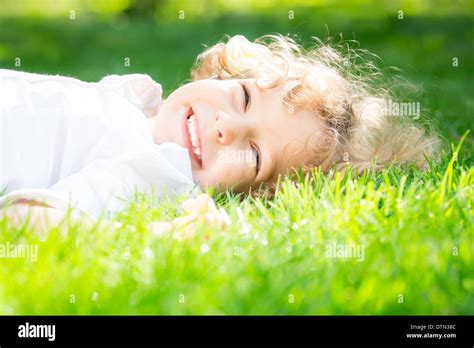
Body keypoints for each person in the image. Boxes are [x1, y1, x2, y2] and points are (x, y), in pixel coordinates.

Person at [0, 34, 439, 236]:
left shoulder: (159, 168)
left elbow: (21, 217)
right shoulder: (143, 109)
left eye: (253, 154)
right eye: (244, 98)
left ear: (252, 193)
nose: (226, 126)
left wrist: (152, 237)